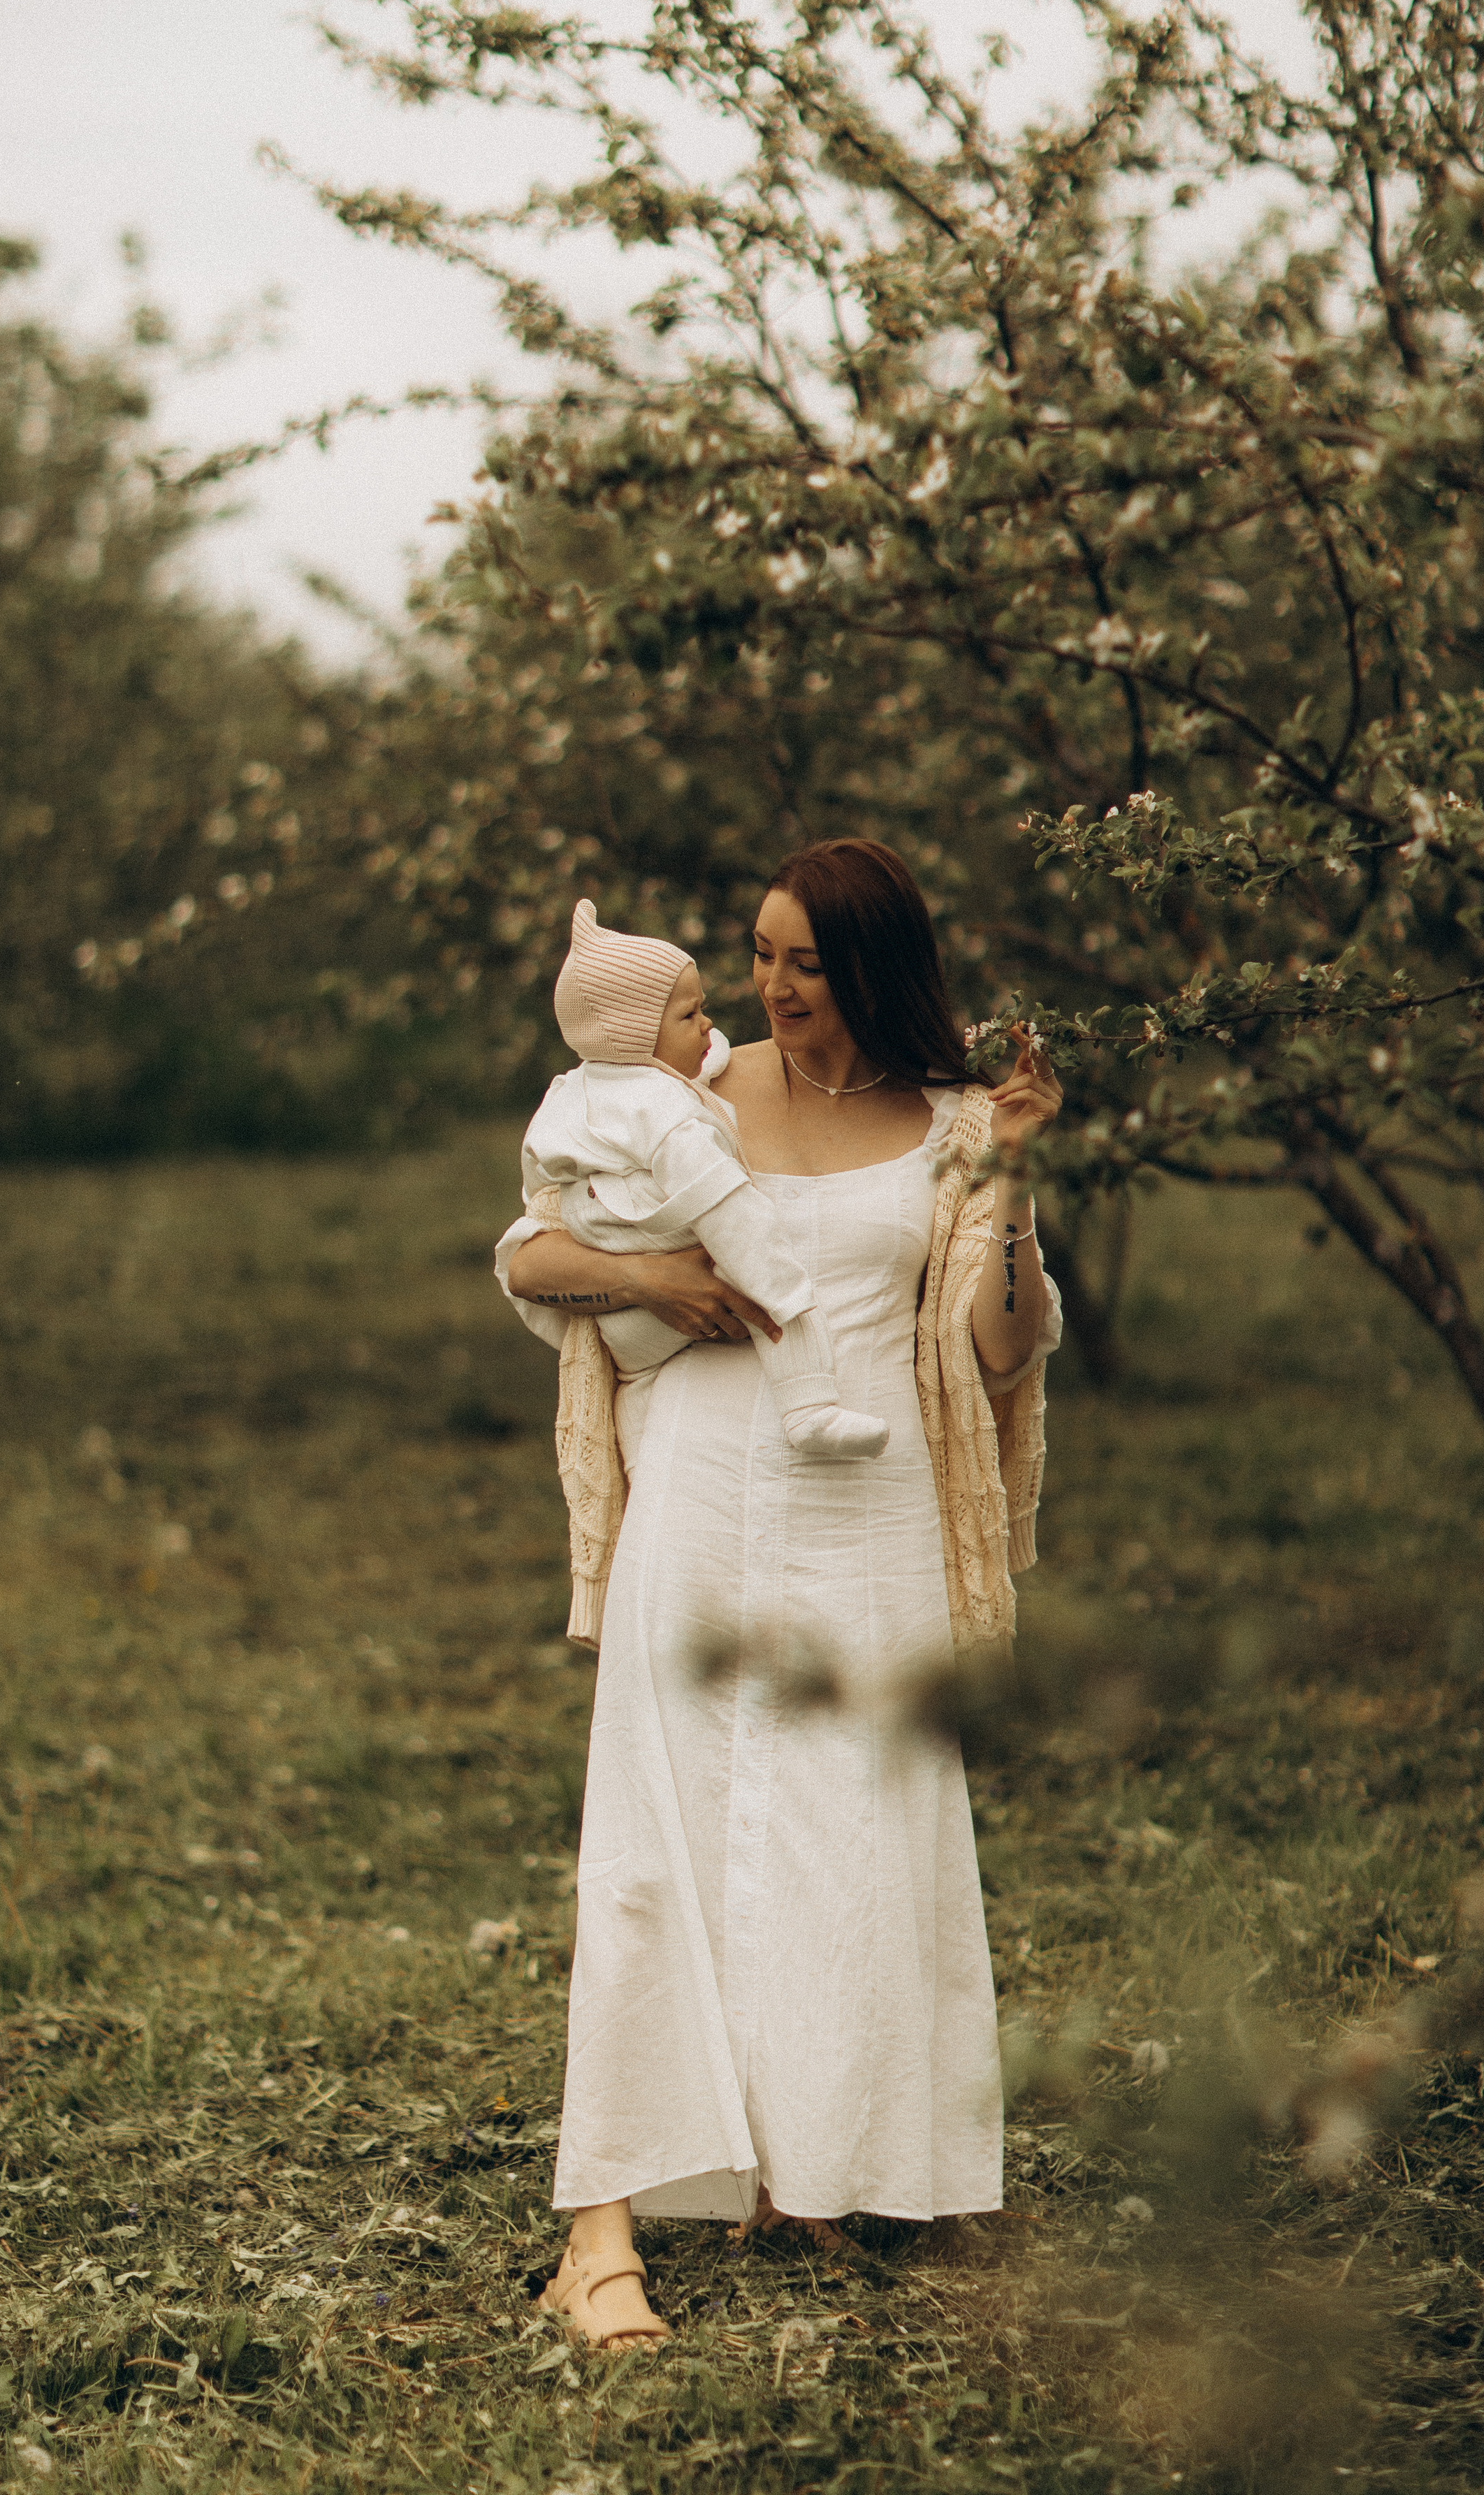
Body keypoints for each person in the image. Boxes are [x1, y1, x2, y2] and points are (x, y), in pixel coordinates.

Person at [495, 839, 1063, 2352]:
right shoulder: (689, 1090)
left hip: (870, 1513)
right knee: (654, 1835)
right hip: (697, 1491)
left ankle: (818, 2160)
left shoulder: (951, 1125)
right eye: (756, 955)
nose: (769, 987)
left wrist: (1008, 1185)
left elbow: (1001, 1350)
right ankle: (598, 2234)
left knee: (857, 1835)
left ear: (873, 968)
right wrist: (654, 1287)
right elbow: (533, 1249)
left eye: (803, 962)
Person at [521, 896, 888, 1471]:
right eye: (690, 1017)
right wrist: (775, 1282)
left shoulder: (580, 1089)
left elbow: (539, 1179)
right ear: (635, 1036)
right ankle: (809, 1405)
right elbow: (721, 1202)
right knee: (766, 1298)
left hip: (626, 1337)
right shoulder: (663, 1112)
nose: (710, 1026)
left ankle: (647, 1479)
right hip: (655, 1291)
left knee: (644, 1410)